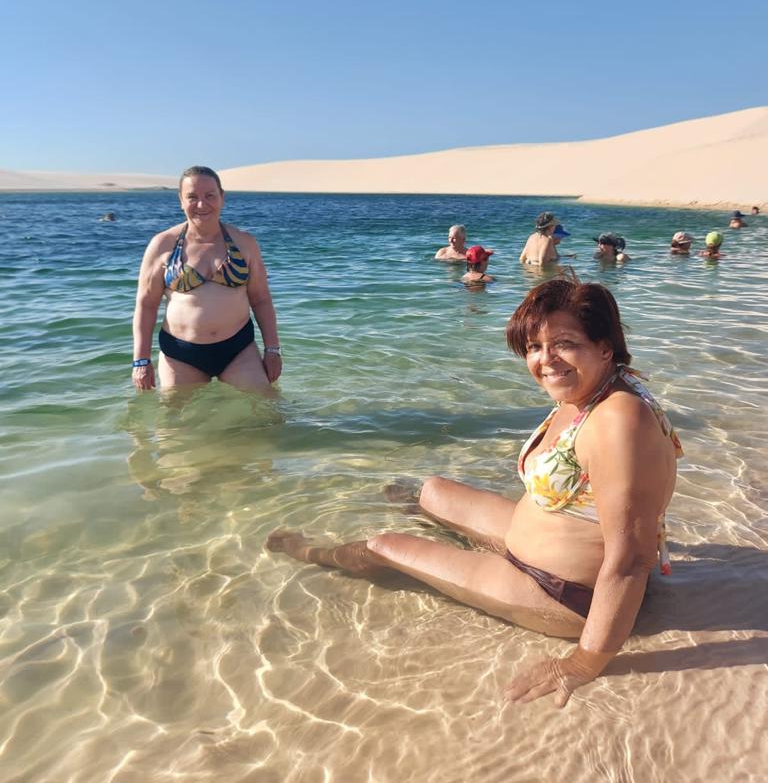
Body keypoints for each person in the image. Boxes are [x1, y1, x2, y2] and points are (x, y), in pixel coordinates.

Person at [268, 278, 682, 707]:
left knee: (383, 546)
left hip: (564, 592)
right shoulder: (595, 389)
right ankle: (438, 523)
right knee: (432, 490)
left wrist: (583, 663)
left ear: (605, 347)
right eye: (534, 347)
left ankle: (312, 552)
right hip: (542, 537)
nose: (546, 360)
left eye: (564, 343)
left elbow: (632, 559)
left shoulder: (618, 421)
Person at [132, 165, 282, 391]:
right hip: (180, 355)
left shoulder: (245, 243)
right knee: (174, 414)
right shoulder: (162, 245)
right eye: (192, 197)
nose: (201, 204)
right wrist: (141, 361)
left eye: (210, 196)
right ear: (181, 200)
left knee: (267, 408)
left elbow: (260, 299)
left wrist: (272, 350)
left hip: (238, 350)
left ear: (222, 198)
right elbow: (146, 304)